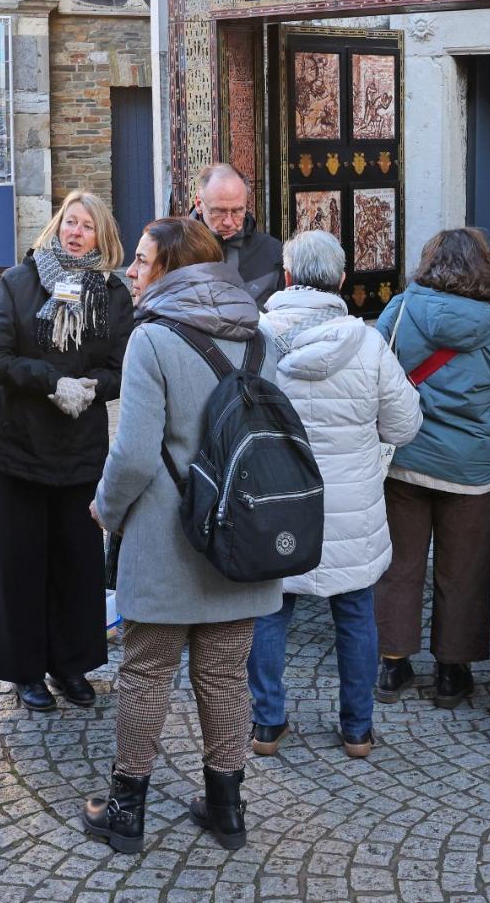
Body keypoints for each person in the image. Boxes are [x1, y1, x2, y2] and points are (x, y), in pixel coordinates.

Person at [81, 217, 282, 854]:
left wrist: (106, 508)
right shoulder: (261, 339)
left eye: (142, 260)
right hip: (240, 538)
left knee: (146, 672)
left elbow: (135, 454)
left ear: (172, 268)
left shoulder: (153, 339)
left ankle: (125, 811)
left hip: (167, 538)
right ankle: (227, 809)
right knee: (224, 676)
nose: (131, 271)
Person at [247, 230, 421, 760]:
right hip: (351, 509)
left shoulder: (256, 340)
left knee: (270, 611)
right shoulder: (368, 344)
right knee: (355, 612)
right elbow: (404, 425)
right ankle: (357, 731)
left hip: (277, 503)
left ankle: (267, 725)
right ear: (342, 280)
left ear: (287, 277)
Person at [0, 191, 134, 713]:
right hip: (19, 445)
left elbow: (120, 367)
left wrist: (91, 387)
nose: (76, 232)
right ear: (57, 227)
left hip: (79, 448)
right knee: (19, 562)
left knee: (75, 563)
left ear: (102, 236)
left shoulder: (113, 294)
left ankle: (70, 664)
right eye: (70, 222)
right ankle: (24, 669)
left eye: (87, 226)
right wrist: (50, 381)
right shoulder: (19, 281)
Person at [373, 228, 490, 710]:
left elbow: (374, 378)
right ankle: (450, 673)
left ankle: (393, 663)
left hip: (404, 459)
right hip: (469, 468)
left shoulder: (399, 310)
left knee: (398, 563)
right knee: (464, 569)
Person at [191, 162, 283, 307]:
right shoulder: (172, 249)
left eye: (237, 211)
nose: (228, 222)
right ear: (198, 204)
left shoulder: (273, 252)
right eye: (219, 211)